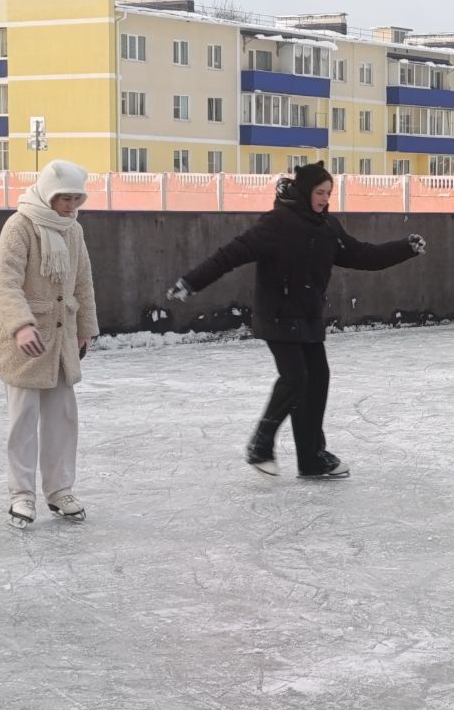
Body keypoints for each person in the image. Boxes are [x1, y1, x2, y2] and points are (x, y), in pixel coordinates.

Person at [166, 161, 425, 479]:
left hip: (308, 316)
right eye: (319, 192)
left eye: (329, 192)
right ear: (304, 191)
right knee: (295, 378)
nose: (325, 198)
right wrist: (192, 282)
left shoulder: (327, 227)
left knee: (317, 380)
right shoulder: (276, 224)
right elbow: (230, 255)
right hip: (277, 315)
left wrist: (404, 248)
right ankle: (260, 445)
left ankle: (312, 457)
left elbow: (362, 255)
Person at [0, 159, 99, 528]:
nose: (70, 206)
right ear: (47, 193)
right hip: (26, 345)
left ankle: (59, 490)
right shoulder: (20, 226)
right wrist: (21, 326)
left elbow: (83, 280)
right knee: (22, 421)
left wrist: (85, 327)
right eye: (63, 198)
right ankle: (21, 494)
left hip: (61, 341)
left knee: (63, 420)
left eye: (75, 198)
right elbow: (5, 282)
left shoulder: (73, 230)